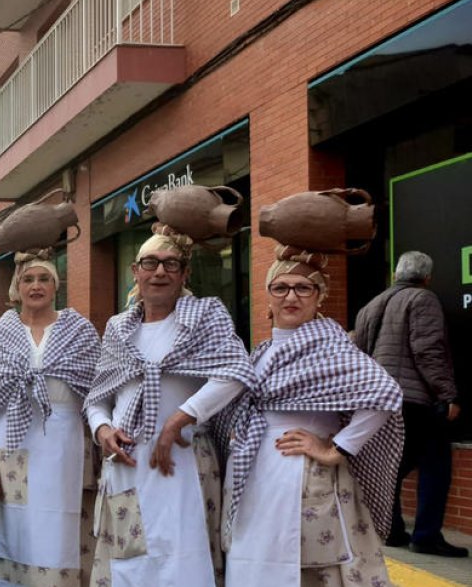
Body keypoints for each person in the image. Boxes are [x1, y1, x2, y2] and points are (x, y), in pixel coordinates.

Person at [221, 243, 404, 585]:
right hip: (256, 473)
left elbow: (385, 394)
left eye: (304, 287)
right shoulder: (263, 350)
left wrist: (336, 448)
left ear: (320, 296)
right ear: (268, 297)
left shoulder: (330, 346)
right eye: (281, 287)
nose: (291, 296)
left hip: (303, 475)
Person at [85, 223, 254, 586]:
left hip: (183, 463)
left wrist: (178, 419)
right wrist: (103, 430)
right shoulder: (118, 328)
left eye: (170, 264)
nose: (159, 271)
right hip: (127, 469)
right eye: (150, 263)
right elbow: (97, 398)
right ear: (136, 272)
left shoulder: (205, 317)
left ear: (184, 274)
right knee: (130, 566)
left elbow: (235, 373)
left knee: (184, 565)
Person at [0, 248, 101, 585]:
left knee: (61, 526)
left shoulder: (80, 331)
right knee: (17, 528)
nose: (36, 286)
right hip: (12, 444)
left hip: (65, 443)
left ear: (55, 285)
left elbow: (99, 396)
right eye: (28, 279)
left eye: (44, 278)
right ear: (18, 286)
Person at [353, 250, 466, 557]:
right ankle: (427, 536)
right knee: (435, 466)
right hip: (413, 399)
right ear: (427, 277)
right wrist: (447, 394)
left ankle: (391, 530)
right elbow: (427, 350)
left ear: (395, 274)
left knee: (393, 464)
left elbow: (359, 355)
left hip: (379, 398)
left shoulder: (370, 306)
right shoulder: (422, 299)